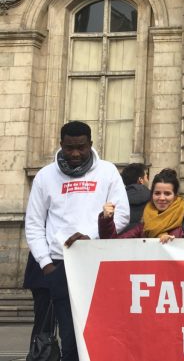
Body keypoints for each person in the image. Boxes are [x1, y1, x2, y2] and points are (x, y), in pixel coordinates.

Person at [24, 121, 129, 361]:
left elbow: (122, 215)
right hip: (59, 266)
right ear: (61, 145)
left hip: (96, 264)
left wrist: (90, 236)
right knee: (69, 339)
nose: (75, 153)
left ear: (91, 144)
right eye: (69, 148)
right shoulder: (45, 176)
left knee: (98, 332)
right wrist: (46, 264)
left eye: (81, 147)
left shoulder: (107, 171)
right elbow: (34, 224)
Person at [99, 168, 184, 242]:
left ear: (175, 195)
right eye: (157, 193)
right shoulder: (146, 221)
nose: (161, 198)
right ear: (151, 194)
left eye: (167, 193)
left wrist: (174, 244)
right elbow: (113, 245)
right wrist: (107, 220)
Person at [120, 163, 151, 231]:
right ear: (140, 180)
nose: (148, 180)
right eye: (146, 177)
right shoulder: (153, 198)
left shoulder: (117, 198)